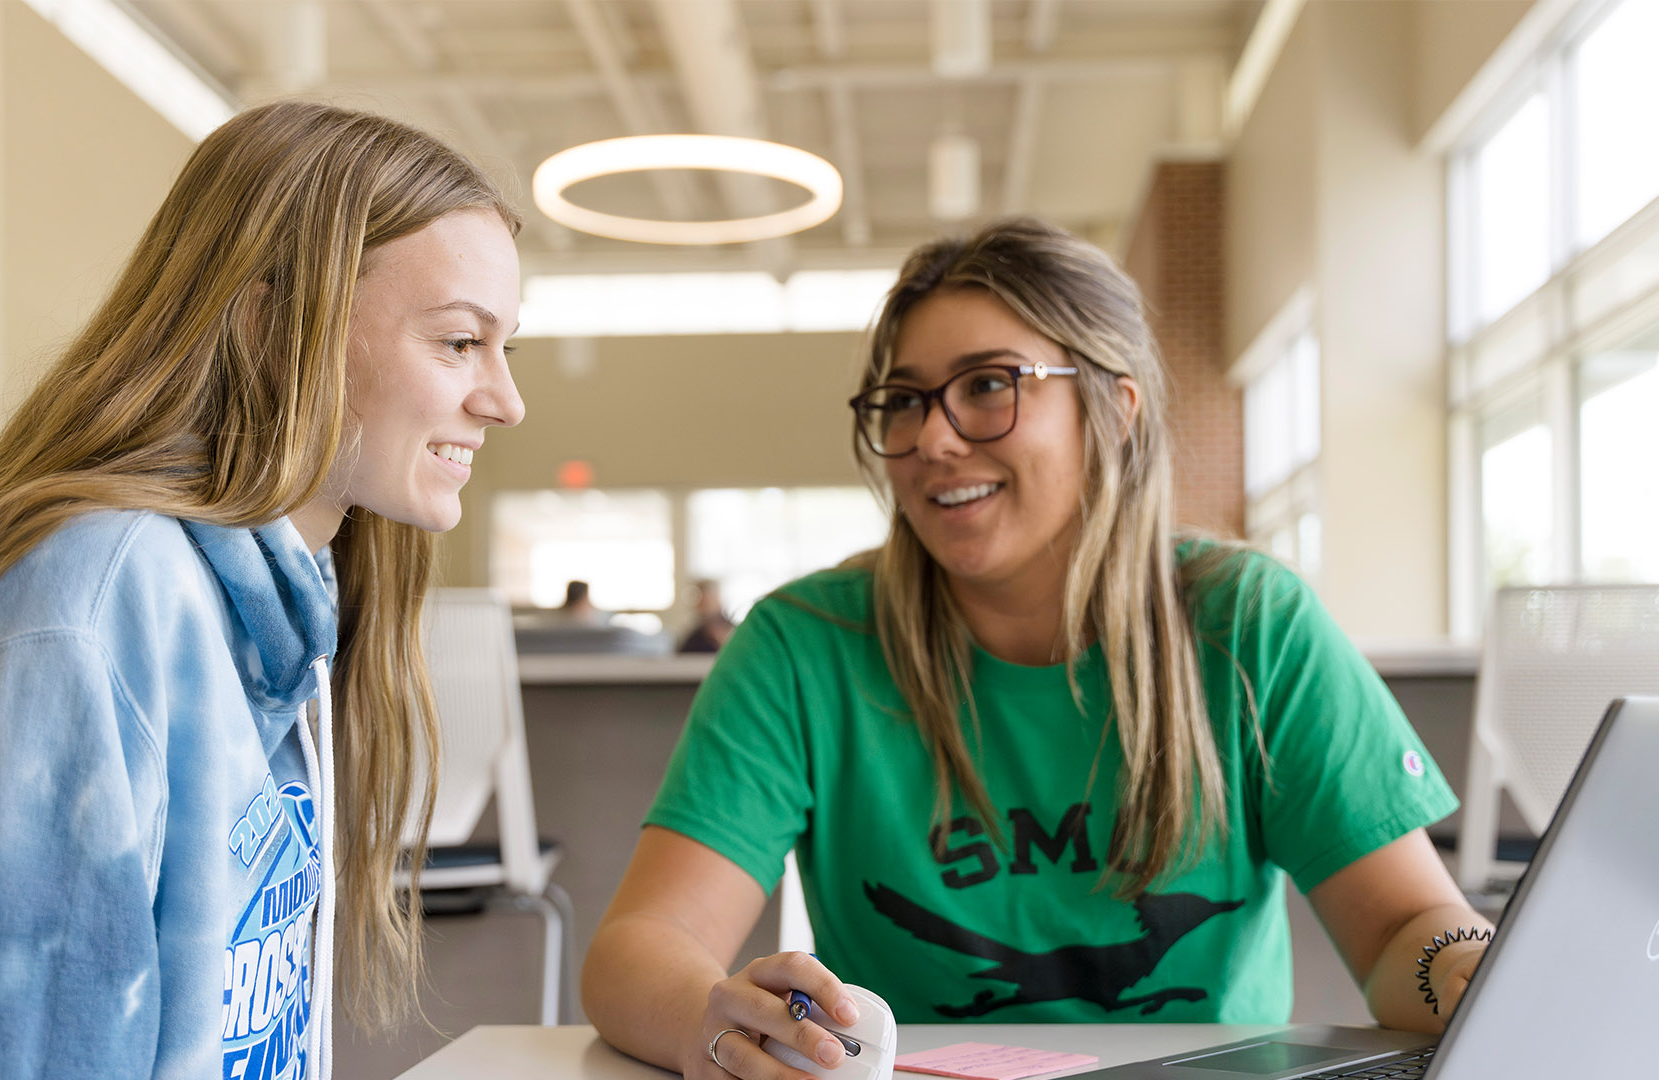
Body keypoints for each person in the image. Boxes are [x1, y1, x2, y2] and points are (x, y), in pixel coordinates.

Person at [580, 218, 1491, 1079]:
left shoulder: (1248, 622)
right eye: (903, 402)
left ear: (1114, 409)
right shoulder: (805, 646)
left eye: (988, 384)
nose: (932, 438)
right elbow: (636, 950)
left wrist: (1460, 966)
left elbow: (1402, 927)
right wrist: (718, 1021)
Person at [0, 101, 525, 1079]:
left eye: (507, 349)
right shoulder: (86, 604)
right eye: (458, 343)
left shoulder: (278, 601)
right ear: (273, 323)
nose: (504, 398)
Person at [676, 580, 735, 654]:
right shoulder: (694, 638)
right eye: (704, 603)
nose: (707, 606)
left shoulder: (732, 630)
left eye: (710, 601)